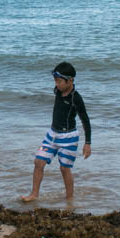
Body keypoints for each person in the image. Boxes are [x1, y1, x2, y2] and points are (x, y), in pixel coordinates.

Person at [21, 62, 91, 202]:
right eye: (55, 81)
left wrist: (87, 143)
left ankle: (69, 199)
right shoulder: (58, 91)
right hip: (52, 134)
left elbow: (85, 120)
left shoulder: (75, 98)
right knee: (38, 162)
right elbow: (58, 81)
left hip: (69, 137)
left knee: (64, 169)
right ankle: (34, 194)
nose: (56, 84)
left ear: (70, 80)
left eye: (59, 81)